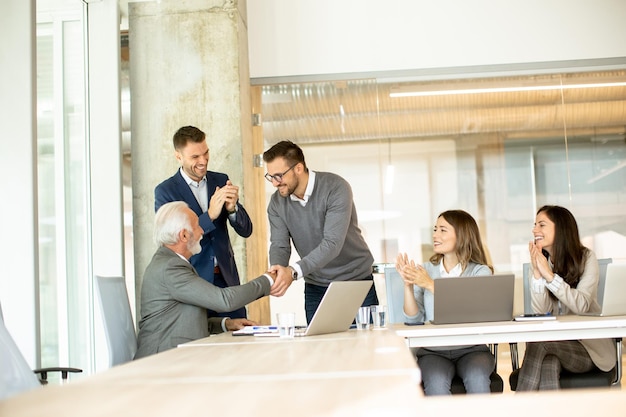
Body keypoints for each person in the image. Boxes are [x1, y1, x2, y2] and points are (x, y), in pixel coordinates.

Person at [134, 201, 275, 359]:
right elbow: (224, 300)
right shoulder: (171, 267)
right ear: (184, 235)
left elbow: (185, 320)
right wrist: (268, 280)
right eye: (197, 226)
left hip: (174, 356)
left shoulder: (171, 262)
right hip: (163, 361)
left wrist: (225, 324)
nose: (202, 231)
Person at [263, 140, 377, 323]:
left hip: (355, 280)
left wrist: (292, 272)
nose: (275, 183)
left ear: (298, 168)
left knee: (364, 346)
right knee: (320, 349)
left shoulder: (335, 187)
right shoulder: (277, 203)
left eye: (279, 176)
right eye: (270, 177)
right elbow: (280, 245)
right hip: (316, 285)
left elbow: (332, 244)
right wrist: (277, 271)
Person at [155, 125, 252, 319]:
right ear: (178, 157)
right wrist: (210, 215)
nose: (203, 161)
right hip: (193, 283)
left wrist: (233, 209)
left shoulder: (221, 179)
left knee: (239, 339)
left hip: (227, 279)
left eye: (205, 153)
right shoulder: (166, 191)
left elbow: (246, 229)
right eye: (195, 157)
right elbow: (172, 238)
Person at [515, 205, 615, 391]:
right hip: (556, 347)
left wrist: (550, 277)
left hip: (590, 351)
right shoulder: (541, 261)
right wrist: (537, 273)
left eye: (541, 225)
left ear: (560, 228)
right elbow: (540, 312)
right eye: (535, 224)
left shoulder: (586, 258)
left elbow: (582, 305)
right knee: (548, 364)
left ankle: (518, 407)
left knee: (540, 344)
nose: (534, 230)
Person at [396, 209, 495, 396]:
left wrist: (430, 284)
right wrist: (408, 286)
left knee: (477, 379)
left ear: (462, 235)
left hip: (473, 349)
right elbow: (414, 319)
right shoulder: (426, 270)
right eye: (435, 230)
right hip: (433, 351)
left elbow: (472, 307)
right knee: (435, 383)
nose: (435, 235)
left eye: (443, 230)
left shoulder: (480, 272)